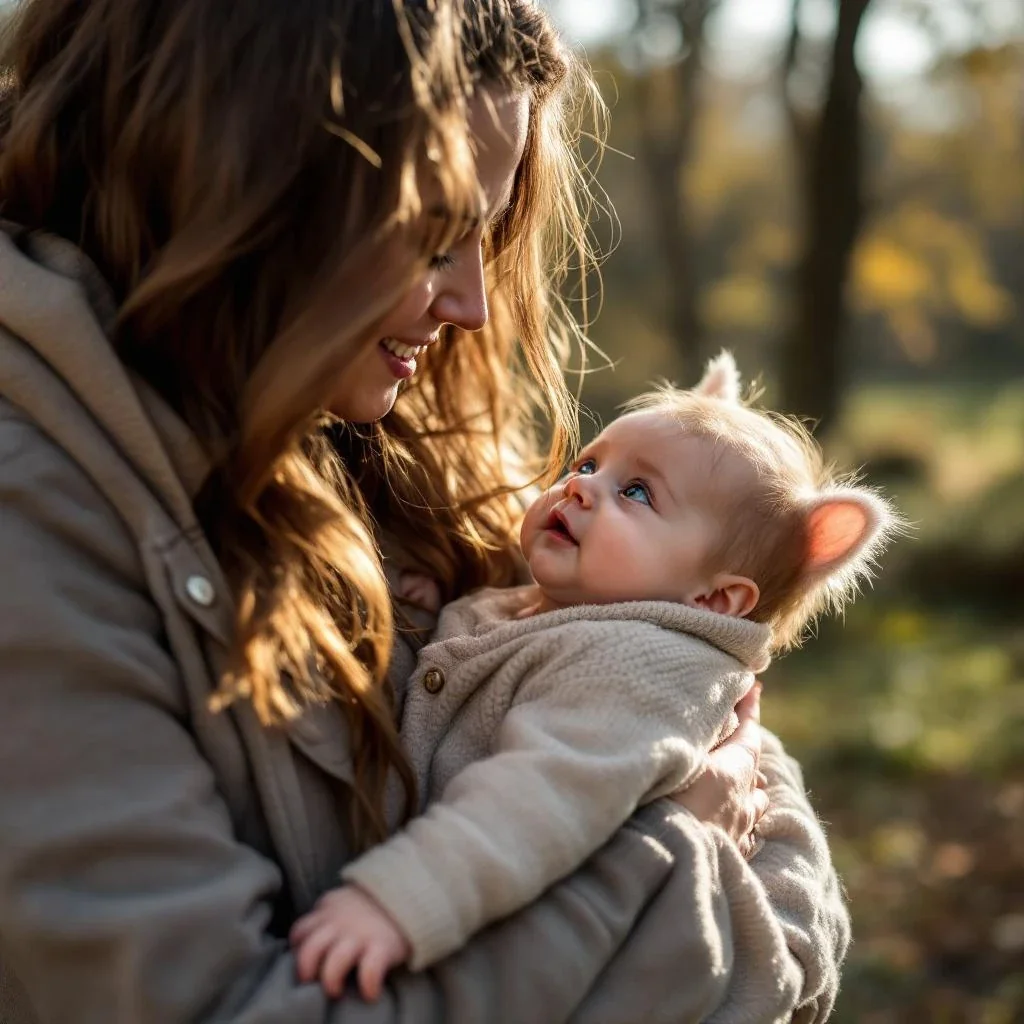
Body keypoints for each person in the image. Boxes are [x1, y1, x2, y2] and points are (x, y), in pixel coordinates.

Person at [0, 1, 849, 1022]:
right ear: (250, 182)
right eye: (435, 238)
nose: (473, 305)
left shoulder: (384, 448)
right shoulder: (36, 519)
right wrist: (673, 860)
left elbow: (714, 746)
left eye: (485, 240)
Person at [290, 351, 897, 1001]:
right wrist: (415, 607)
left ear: (715, 600)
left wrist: (402, 901)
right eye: (588, 464)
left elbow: (541, 795)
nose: (581, 486)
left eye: (637, 493)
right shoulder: (551, 609)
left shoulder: (644, 667)